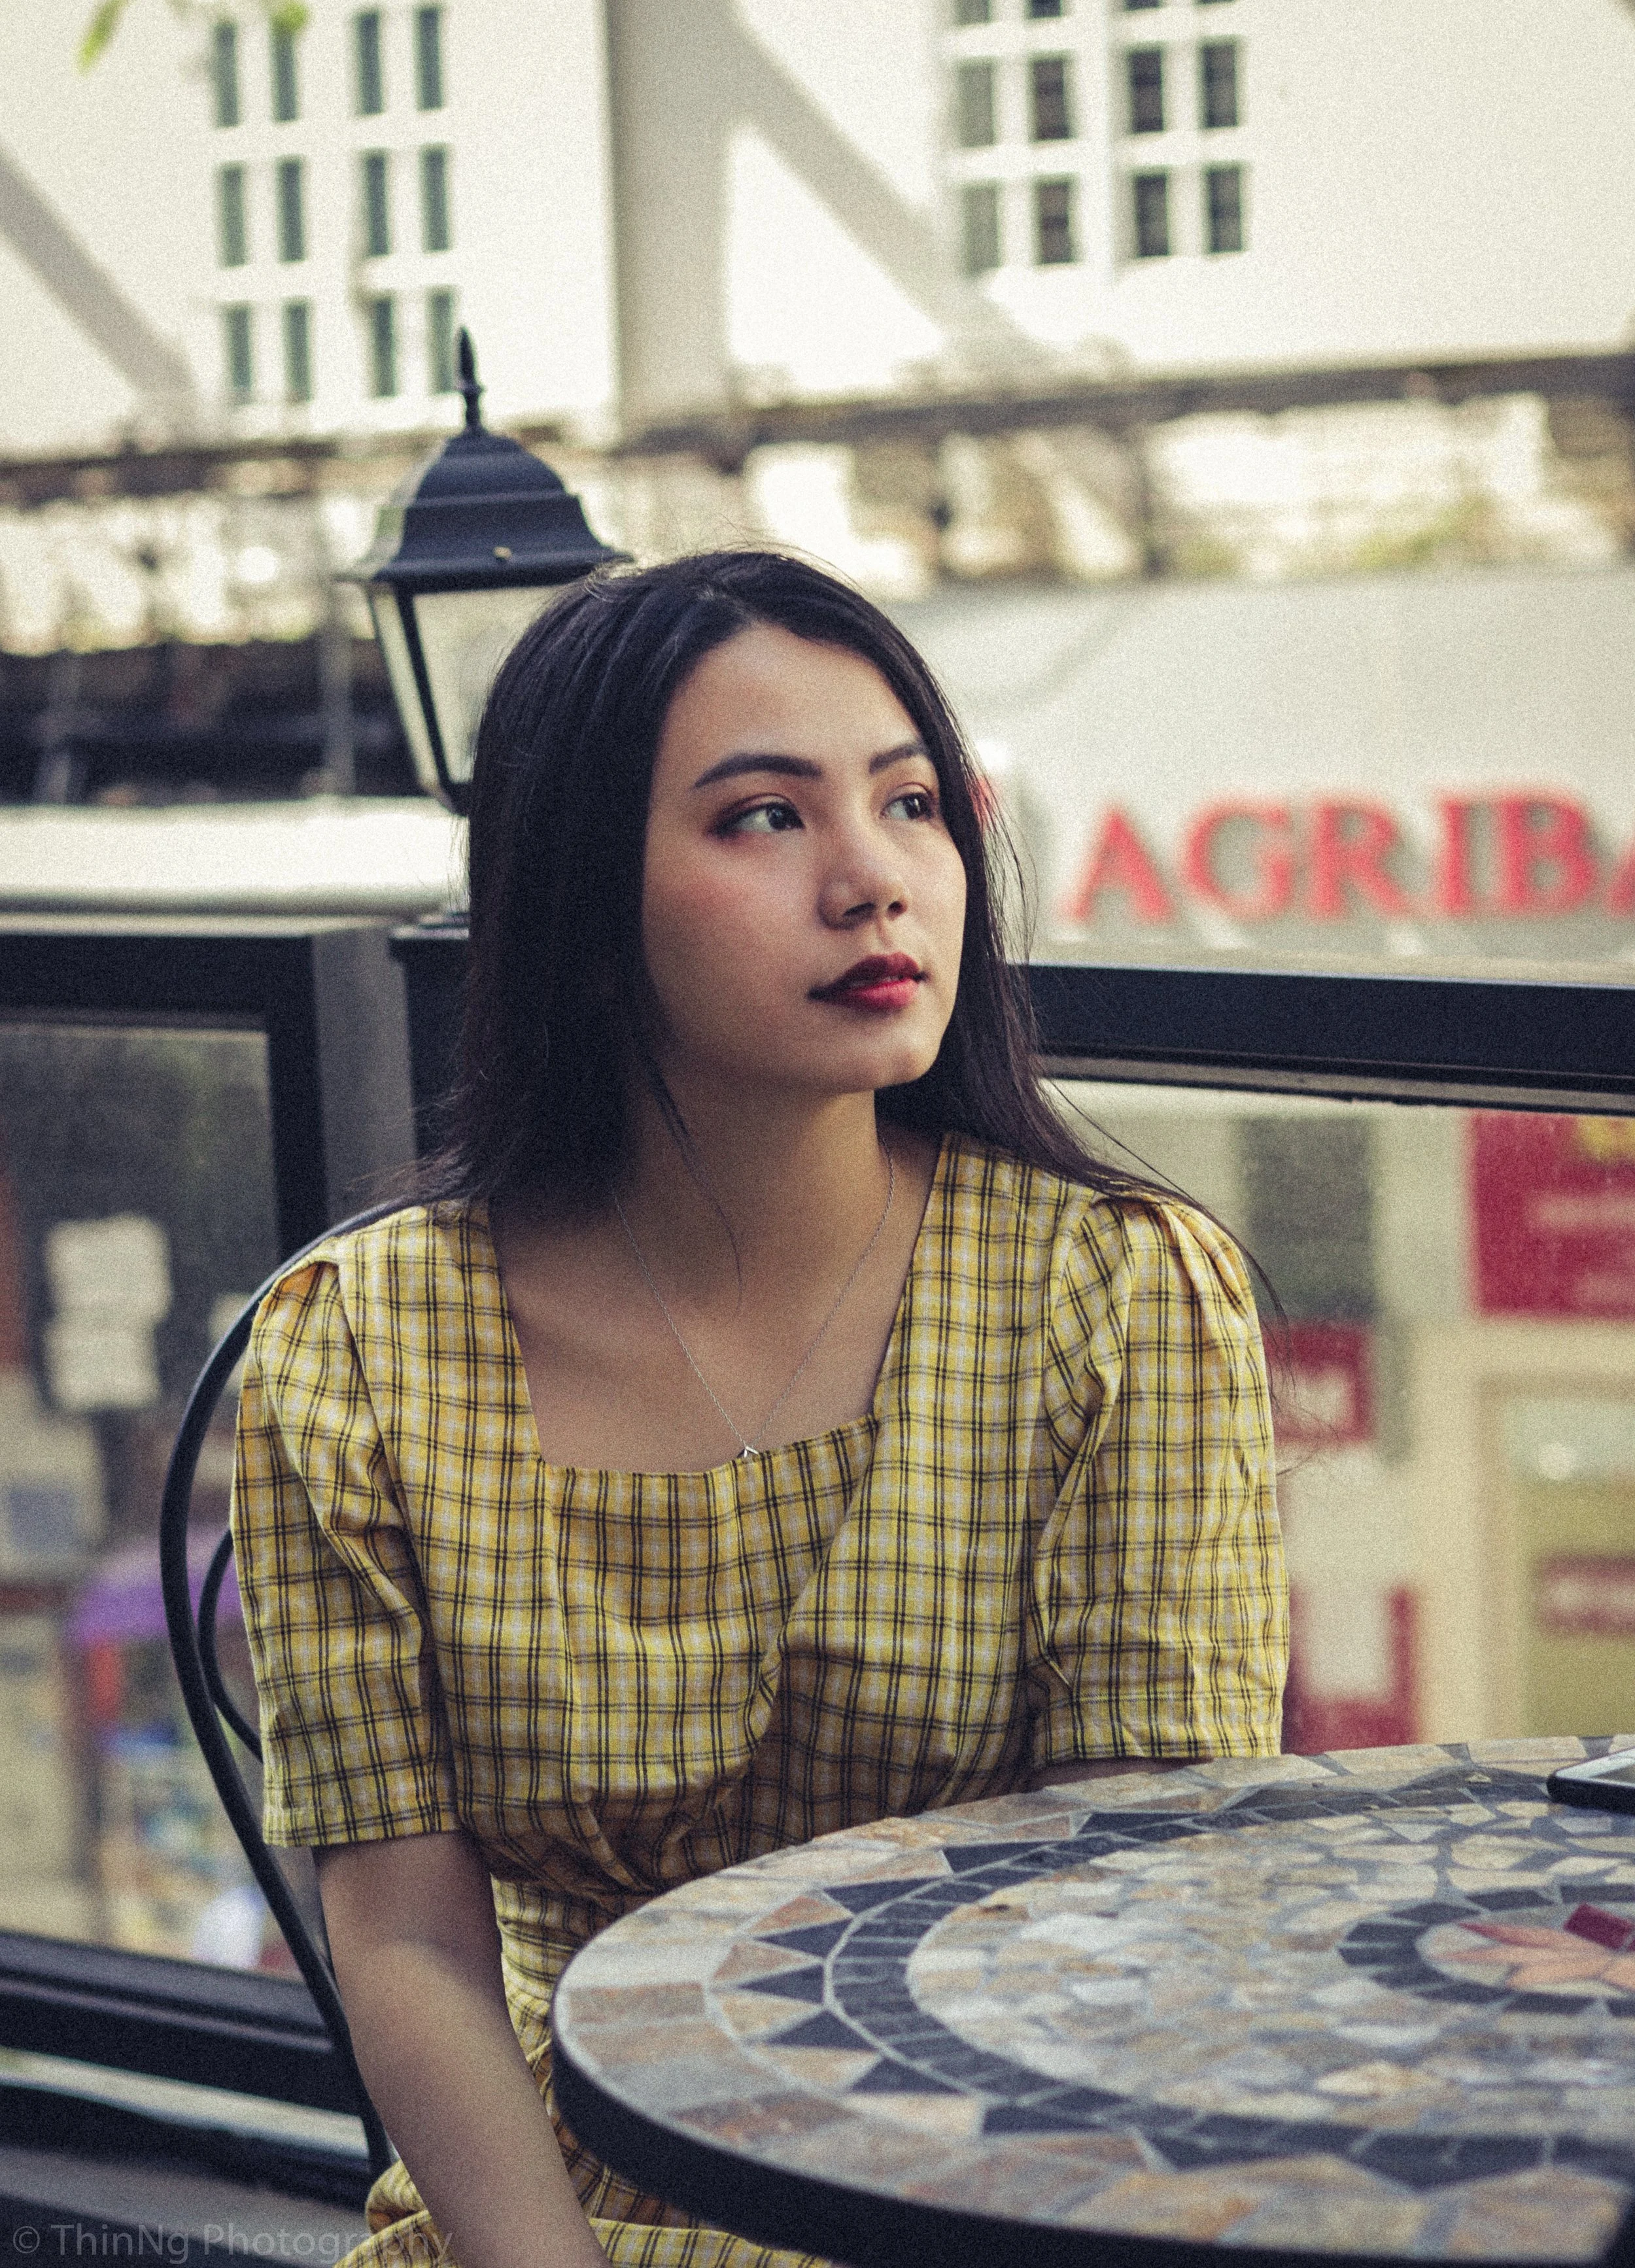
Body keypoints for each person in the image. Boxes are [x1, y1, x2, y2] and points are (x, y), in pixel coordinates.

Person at [231, 550, 1286, 2268]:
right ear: (580, 893)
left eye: (910, 801)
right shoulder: (353, 1349)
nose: (875, 881)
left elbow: (1142, 1913)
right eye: (761, 818)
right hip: (541, 2218)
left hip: (985, 2206)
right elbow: (407, 1940)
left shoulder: (1114, 1296)